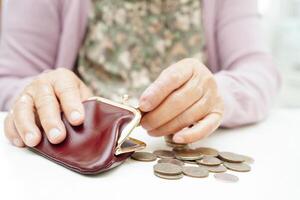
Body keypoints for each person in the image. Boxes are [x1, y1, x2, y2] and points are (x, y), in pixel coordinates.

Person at [0, 0, 280, 148]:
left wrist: (216, 95)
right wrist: (40, 97)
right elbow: (8, 80)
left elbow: (260, 72)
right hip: (79, 163)